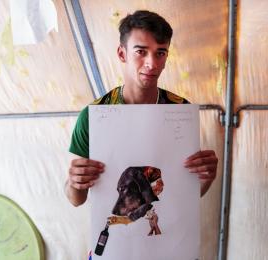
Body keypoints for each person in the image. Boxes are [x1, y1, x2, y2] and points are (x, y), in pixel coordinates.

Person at [65, 10, 218, 207]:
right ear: (122, 54)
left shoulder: (180, 112)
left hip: (168, 231)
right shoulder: (94, 116)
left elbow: (188, 193)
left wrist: (207, 177)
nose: (152, 63)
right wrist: (74, 182)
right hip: (118, 232)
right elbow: (76, 199)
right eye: (141, 51)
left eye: (160, 53)